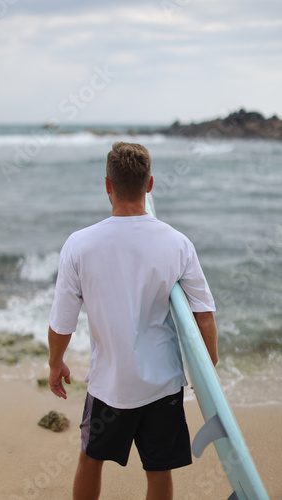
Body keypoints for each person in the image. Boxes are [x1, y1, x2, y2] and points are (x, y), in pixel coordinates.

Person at [48, 142, 218, 500]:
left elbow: (62, 322)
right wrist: (209, 368)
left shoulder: (79, 245)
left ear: (108, 185)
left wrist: (55, 363)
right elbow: (203, 314)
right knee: (158, 471)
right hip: (162, 386)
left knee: (91, 460)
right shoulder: (178, 243)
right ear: (150, 184)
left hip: (110, 385)